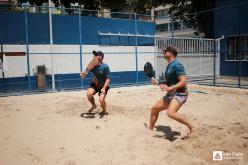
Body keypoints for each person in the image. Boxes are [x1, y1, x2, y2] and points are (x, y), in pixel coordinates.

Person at [149, 46, 194, 134]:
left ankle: (192, 127)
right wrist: (158, 82)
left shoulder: (177, 65)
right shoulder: (169, 65)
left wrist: (169, 88)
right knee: (154, 109)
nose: (163, 52)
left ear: (171, 53)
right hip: (171, 94)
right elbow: (169, 82)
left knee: (170, 113)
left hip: (180, 93)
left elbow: (183, 81)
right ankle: (149, 130)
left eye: (165, 51)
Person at [80, 50, 111, 116]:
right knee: (89, 94)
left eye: (98, 55)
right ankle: (94, 106)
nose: (95, 57)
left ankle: (104, 111)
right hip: (95, 85)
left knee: (101, 100)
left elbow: (108, 79)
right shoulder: (91, 66)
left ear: (101, 57)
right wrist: (83, 74)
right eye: (95, 55)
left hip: (103, 86)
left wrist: (104, 88)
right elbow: (84, 76)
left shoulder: (105, 66)